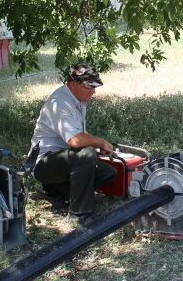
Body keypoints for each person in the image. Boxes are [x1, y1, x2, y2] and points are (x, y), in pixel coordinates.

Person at [29, 63, 117, 224]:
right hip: (44, 163)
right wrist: (100, 142)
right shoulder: (60, 103)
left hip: (63, 159)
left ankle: (56, 189)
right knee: (87, 154)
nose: (93, 92)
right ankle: (79, 213)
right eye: (89, 87)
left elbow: (79, 135)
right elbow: (75, 141)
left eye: (95, 87)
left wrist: (99, 146)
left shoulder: (78, 100)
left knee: (108, 173)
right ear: (74, 83)